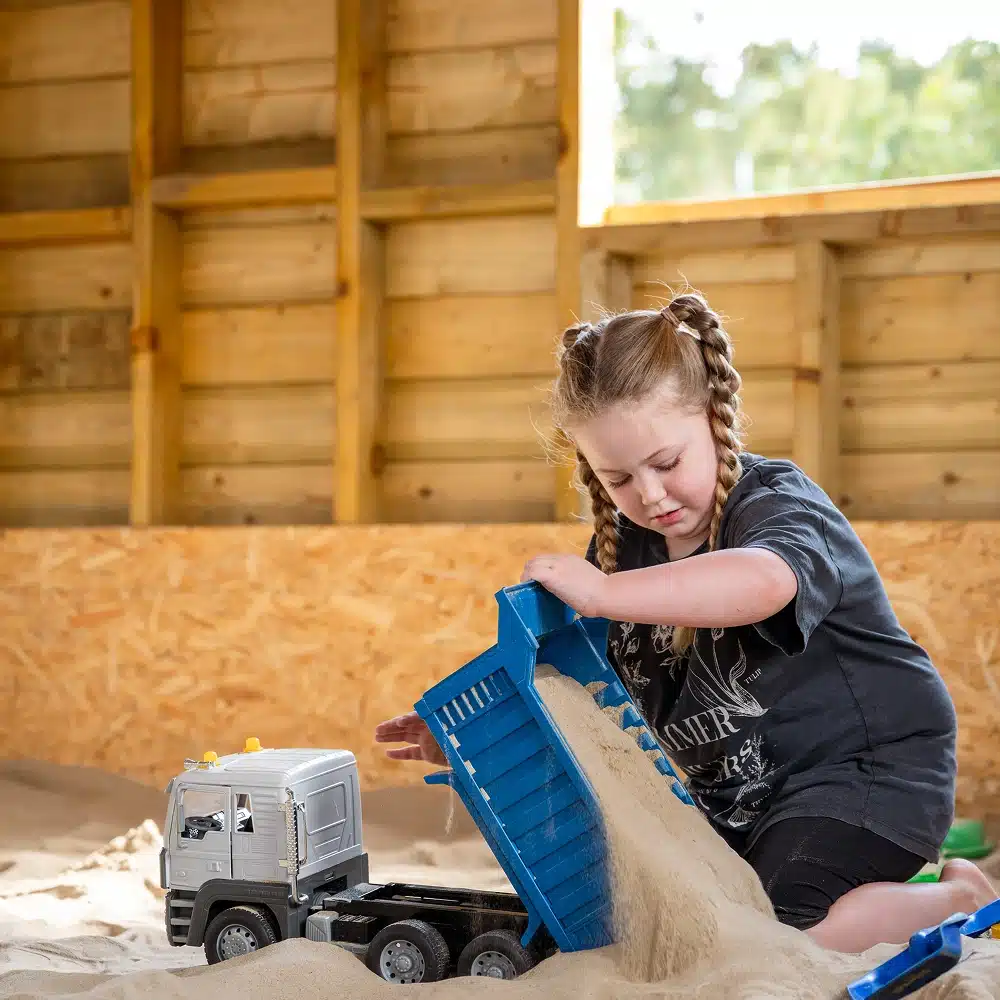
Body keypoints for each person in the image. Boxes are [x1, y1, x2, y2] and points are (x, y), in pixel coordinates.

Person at [374, 292, 997, 954]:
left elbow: (762, 581)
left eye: (667, 463)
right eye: (617, 478)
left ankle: (962, 897)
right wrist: (477, 745)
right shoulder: (624, 550)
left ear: (714, 420)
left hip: (868, 773)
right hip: (742, 803)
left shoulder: (776, 504)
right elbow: (587, 704)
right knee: (695, 922)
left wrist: (605, 592)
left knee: (773, 931)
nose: (650, 494)